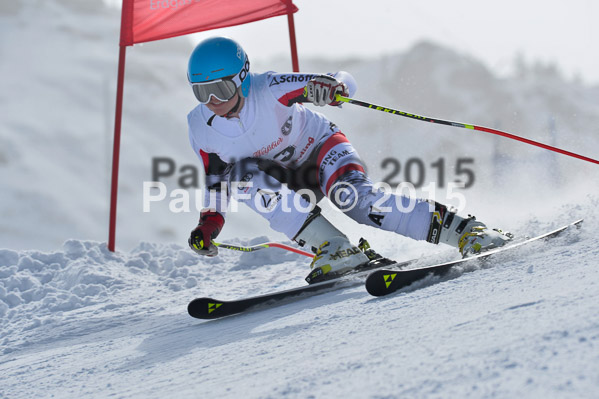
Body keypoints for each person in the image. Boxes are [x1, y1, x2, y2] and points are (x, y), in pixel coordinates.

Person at [186, 37, 511, 279]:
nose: (213, 101)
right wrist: (209, 224)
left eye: (221, 89)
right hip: (287, 180)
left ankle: (468, 230)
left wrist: (332, 88)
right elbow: (215, 180)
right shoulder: (201, 127)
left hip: (322, 150)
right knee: (241, 177)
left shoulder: (268, 87)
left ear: (242, 79)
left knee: (355, 202)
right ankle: (337, 248)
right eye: (202, 92)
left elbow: (342, 80)